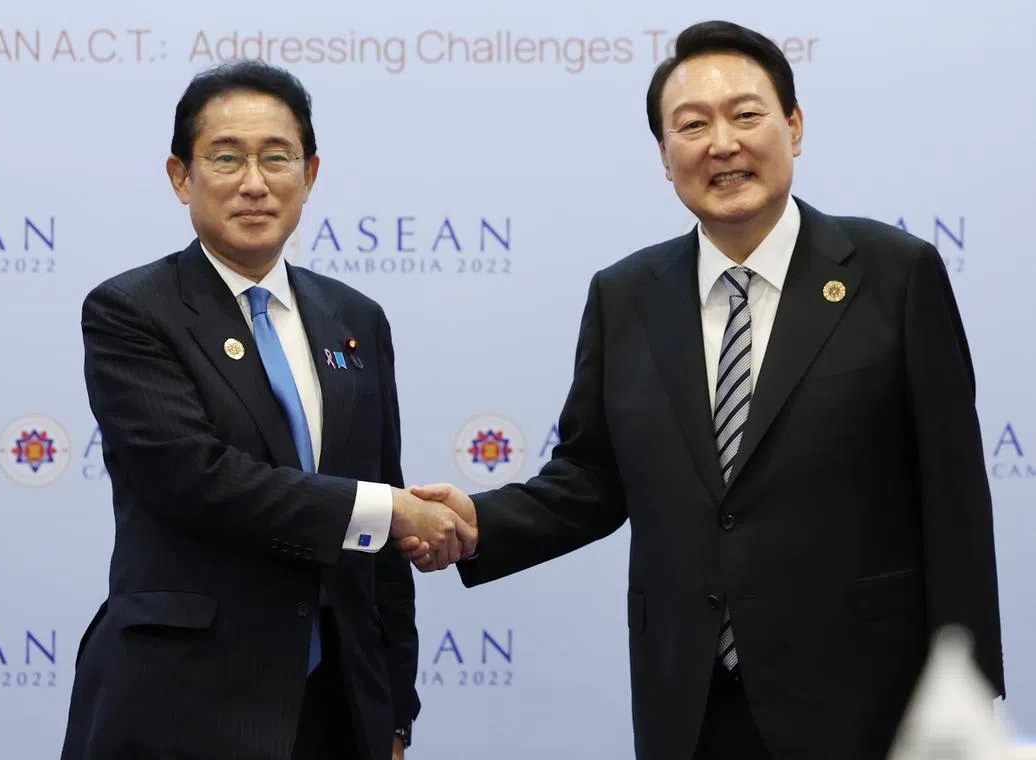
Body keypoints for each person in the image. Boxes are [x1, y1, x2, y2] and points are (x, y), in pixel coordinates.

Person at [401, 19, 1005, 760]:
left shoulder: (895, 273)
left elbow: (953, 495)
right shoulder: (625, 295)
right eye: (692, 125)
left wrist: (969, 687)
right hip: (690, 702)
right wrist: (479, 521)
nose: (722, 144)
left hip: (866, 696)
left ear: (794, 126)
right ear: (664, 155)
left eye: (746, 115)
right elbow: (592, 478)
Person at [60, 61, 475, 760]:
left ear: (309, 175)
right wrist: (390, 510)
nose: (254, 182)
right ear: (180, 176)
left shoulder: (354, 318)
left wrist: (395, 709)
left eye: (276, 157)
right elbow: (199, 481)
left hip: (338, 707)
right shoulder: (131, 311)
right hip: (184, 703)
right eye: (226, 158)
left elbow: (382, 533)